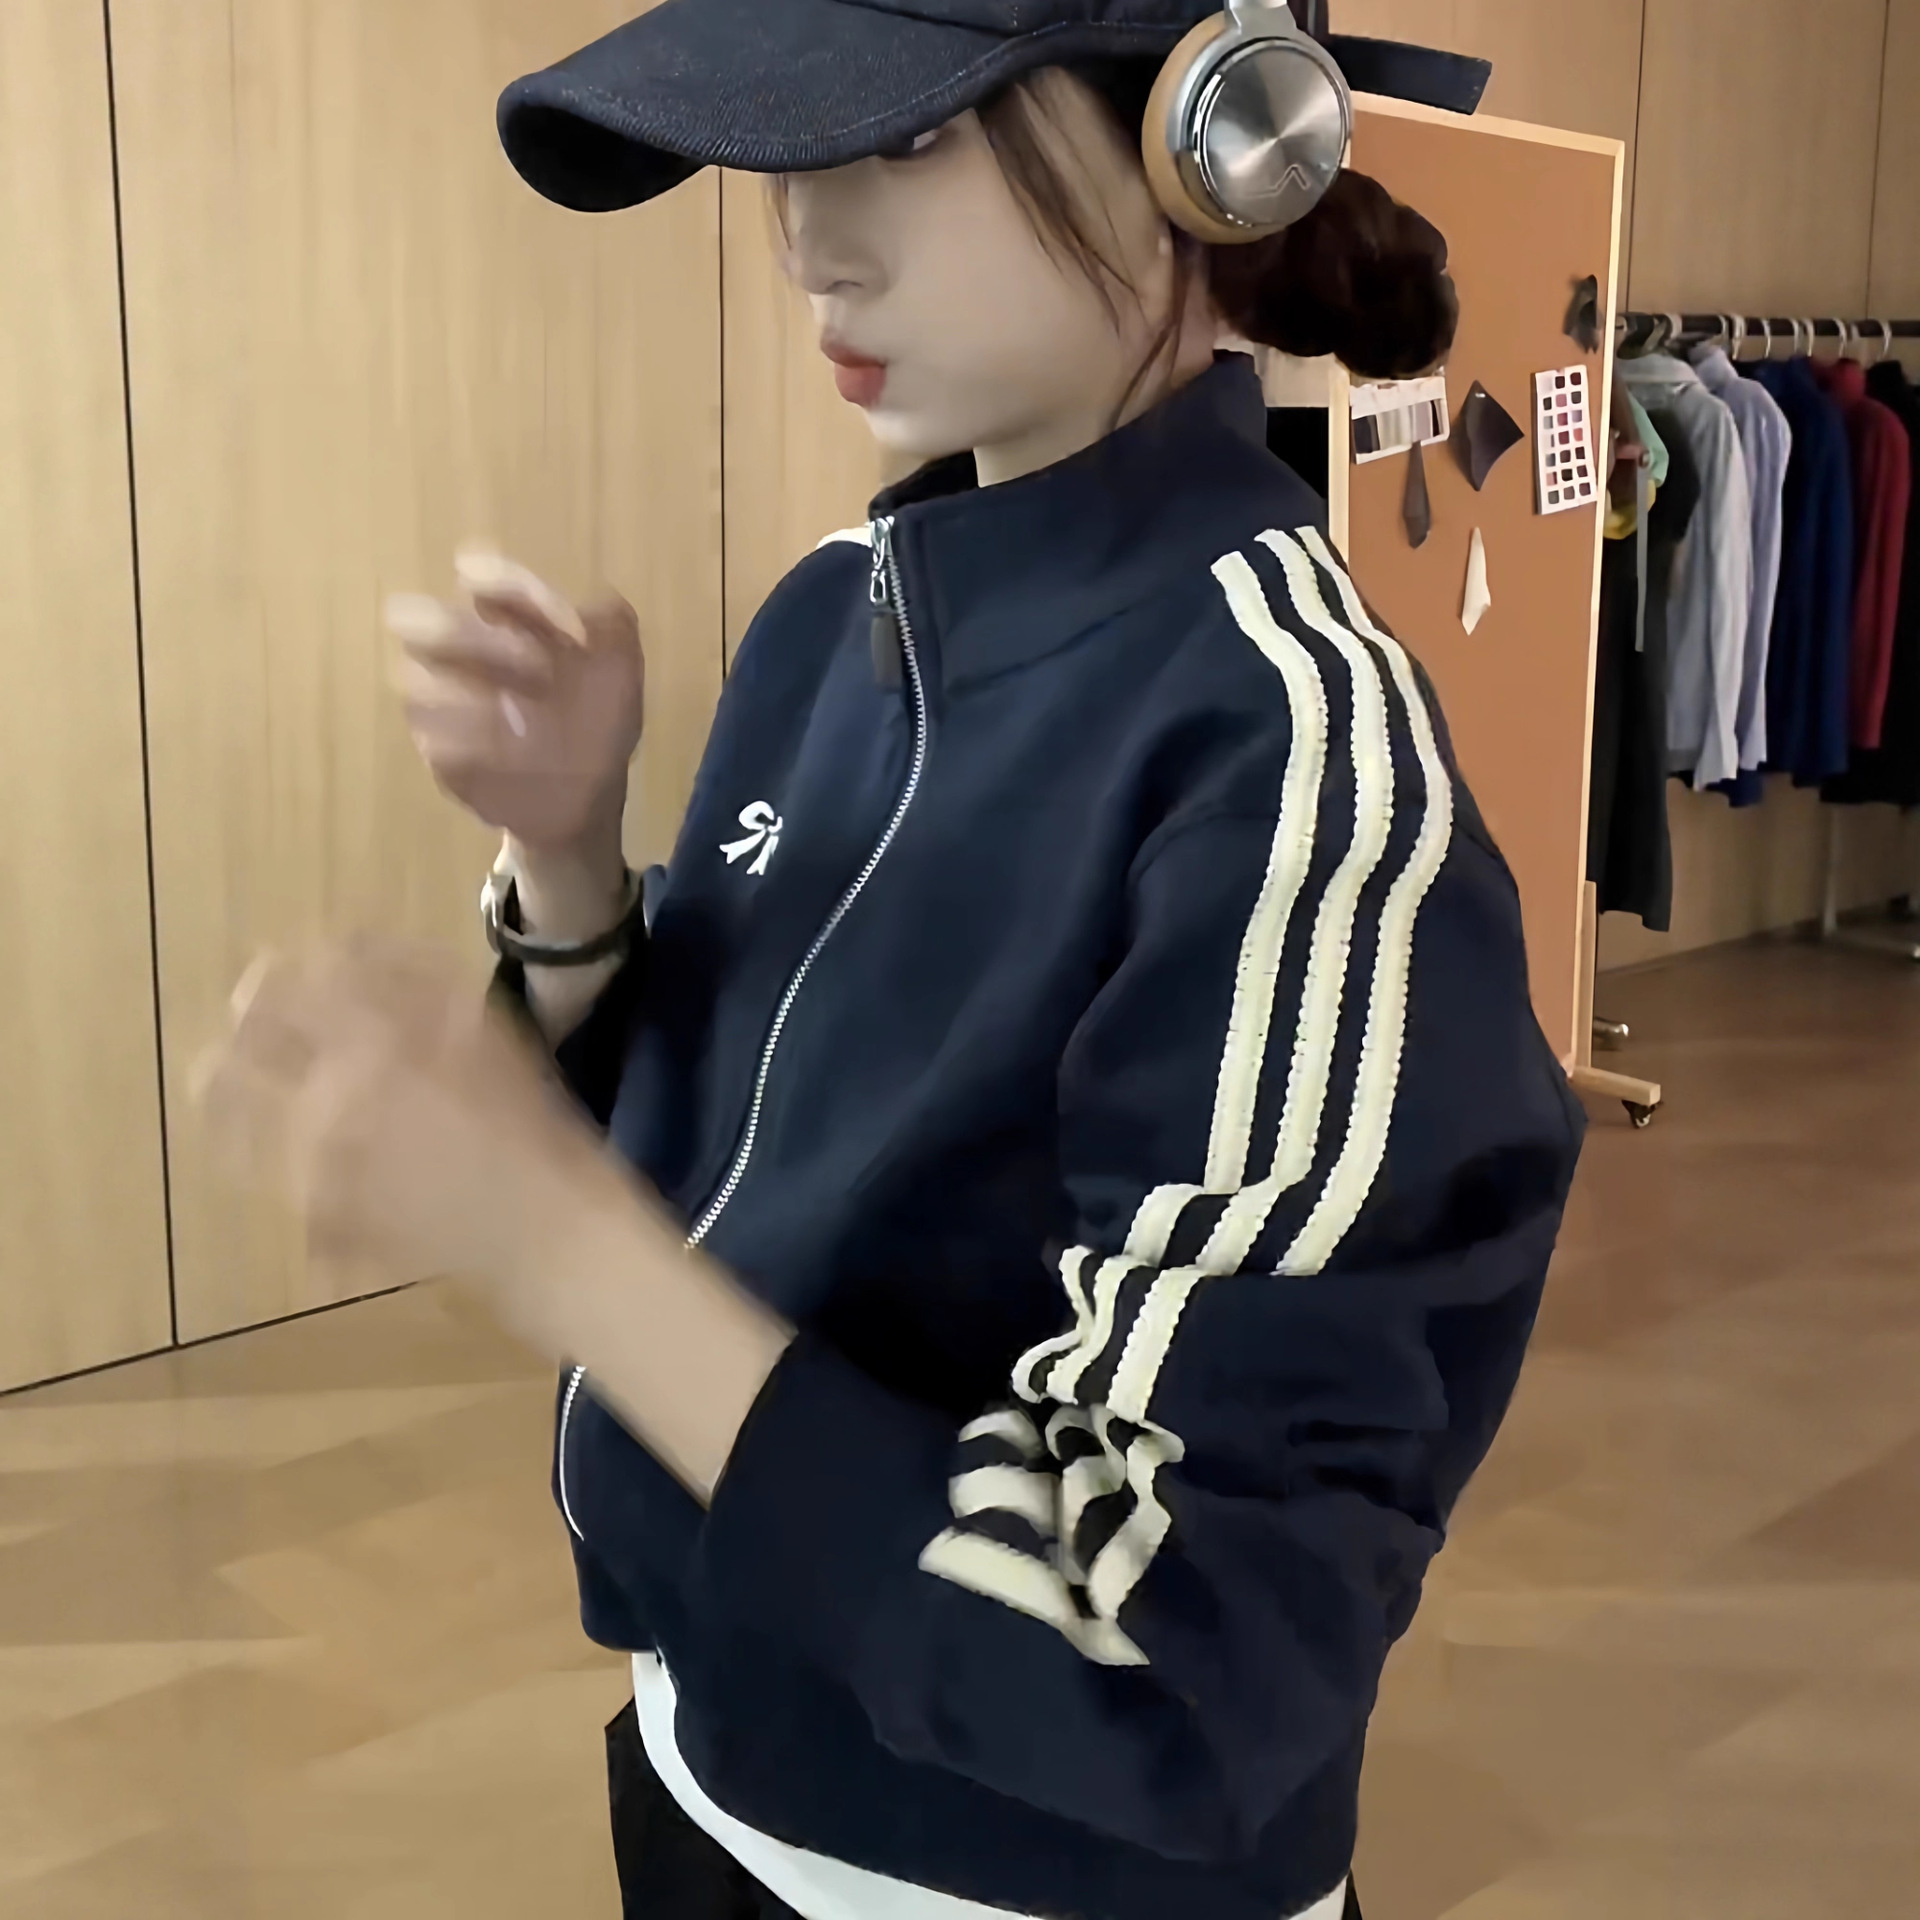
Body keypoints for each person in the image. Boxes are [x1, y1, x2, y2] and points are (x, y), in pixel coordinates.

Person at [195, 5, 1584, 1917]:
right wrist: (568, 858)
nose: (809, 241)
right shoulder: (828, 620)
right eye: (790, 150)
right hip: (710, 1767)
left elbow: (1181, 1652)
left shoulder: (1298, 766)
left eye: (907, 141)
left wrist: (552, 1240)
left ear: (1214, 140)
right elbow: (716, 1169)